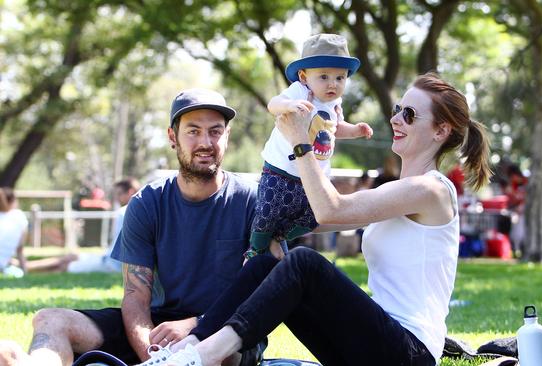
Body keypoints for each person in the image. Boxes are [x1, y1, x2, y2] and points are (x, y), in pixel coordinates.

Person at [155, 72, 492, 366]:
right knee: (268, 265)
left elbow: (332, 209)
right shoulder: (399, 193)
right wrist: (268, 229)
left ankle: (204, 357)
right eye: (396, 109)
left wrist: (301, 141)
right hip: (370, 348)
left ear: (440, 131)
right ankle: (190, 346)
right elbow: (316, 216)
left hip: (409, 354)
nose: (396, 119)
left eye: (409, 114)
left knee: (304, 263)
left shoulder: (431, 190)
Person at [0, 88, 264, 366]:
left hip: (224, 331)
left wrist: (196, 325)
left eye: (215, 131)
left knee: (218, 355)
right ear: (172, 137)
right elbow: (136, 297)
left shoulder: (253, 200)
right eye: (193, 131)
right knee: (50, 320)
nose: (205, 142)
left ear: (227, 136)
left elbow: (261, 294)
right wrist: (152, 356)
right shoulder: (146, 202)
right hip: (159, 330)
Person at [248, 33, 373, 258]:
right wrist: (289, 104)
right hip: (281, 170)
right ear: (304, 76)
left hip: (314, 177)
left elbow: (333, 128)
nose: (332, 84)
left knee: (316, 215)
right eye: (324, 77)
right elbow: (272, 104)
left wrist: (355, 131)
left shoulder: (335, 103)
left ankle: (280, 236)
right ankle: (255, 249)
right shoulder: (300, 91)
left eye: (340, 78)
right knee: (267, 211)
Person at [66, 178, 141, 273]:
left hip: (112, 265)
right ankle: (40, 269)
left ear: (131, 192)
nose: (117, 198)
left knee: (67, 265)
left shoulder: (124, 212)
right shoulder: (140, 212)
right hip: (107, 259)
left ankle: (40, 272)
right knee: (70, 257)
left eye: (119, 194)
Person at [0, 187, 77, 277]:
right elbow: (19, 250)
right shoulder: (18, 216)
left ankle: (60, 263)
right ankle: (60, 263)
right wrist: (24, 272)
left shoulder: (16, 216)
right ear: (13, 201)